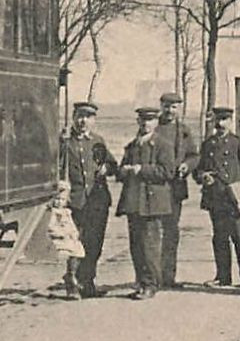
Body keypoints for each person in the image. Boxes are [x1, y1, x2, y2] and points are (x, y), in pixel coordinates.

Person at [116, 106, 180, 299]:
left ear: (155, 123)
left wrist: (141, 169)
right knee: (136, 245)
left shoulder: (163, 145)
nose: (146, 124)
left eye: (150, 120)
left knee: (150, 246)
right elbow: (120, 172)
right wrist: (125, 171)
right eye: (143, 120)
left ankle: (151, 284)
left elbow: (168, 172)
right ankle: (141, 282)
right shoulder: (132, 146)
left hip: (152, 204)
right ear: (138, 122)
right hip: (134, 202)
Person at [57, 102, 118, 298]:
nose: (83, 121)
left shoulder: (98, 141)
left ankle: (88, 282)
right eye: (80, 116)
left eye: (88, 117)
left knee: (94, 243)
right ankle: (72, 282)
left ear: (93, 120)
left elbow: (112, 164)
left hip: (97, 201)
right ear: (74, 118)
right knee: (75, 243)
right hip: (75, 201)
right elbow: (56, 167)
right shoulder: (65, 142)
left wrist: (107, 168)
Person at [197, 106, 240, 288]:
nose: (220, 124)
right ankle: (223, 277)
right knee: (219, 237)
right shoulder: (208, 144)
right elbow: (199, 168)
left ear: (231, 121)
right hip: (216, 197)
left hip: (235, 198)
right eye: (218, 120)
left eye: (224, 119)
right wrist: (202, 176)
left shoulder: (239, 143)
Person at [155, 92, 199, 288]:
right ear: (161, 106)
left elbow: (194, 156)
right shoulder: (153, 127)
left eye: (174, 107)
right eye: (167, 106)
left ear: (179, 109)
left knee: (172, 232)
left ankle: (168, 276)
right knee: (155, 232)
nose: (170, 110)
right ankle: (153, 276)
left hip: (175, 189)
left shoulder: (184, 131)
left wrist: (187, 166)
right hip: (156, 188)